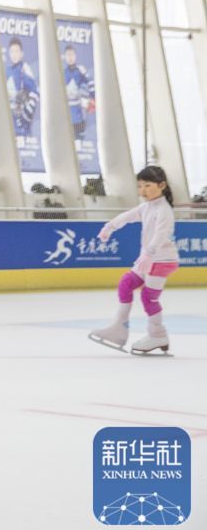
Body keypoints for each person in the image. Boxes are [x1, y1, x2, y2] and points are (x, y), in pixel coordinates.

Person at [88, 166, 179, 356]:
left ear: (161, 185)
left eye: (147, 185)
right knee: (126, 283)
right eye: (139, 186)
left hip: (162, 260)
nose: (143, 191)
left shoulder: (164, 210)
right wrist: (110, 226)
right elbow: (128, 216)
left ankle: (158, 335)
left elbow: (161, 235)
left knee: (148, 297)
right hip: (148, 258)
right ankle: (119, 328)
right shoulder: (146, 207)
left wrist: (149, 253)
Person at [5, 37, 39, 136]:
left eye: (17, 51)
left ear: (22, 53)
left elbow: (35, 92)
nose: (14, 54)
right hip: (8, 123)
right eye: (12, 51)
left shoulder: (24, 69)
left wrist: (26, 114)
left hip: (22, 126)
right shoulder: (7, 71)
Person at [63, 44, 94, 138]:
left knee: (79, 143)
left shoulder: (81, 71)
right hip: (66, 117)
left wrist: (92, 99)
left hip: (80, 116)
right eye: (68, 55)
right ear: (65, 57)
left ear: (75, 56)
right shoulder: (62, 73)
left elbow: (91, 84)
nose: (70, 57)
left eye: (72, 55)